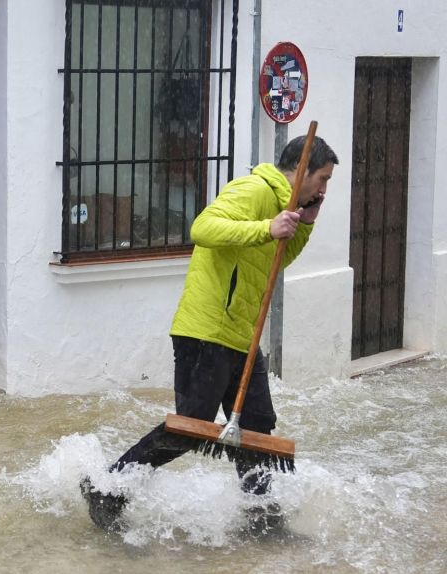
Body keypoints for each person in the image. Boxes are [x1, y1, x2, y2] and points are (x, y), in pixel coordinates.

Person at [82, 135, 339, 531]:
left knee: (257, 427)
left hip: (241, 336)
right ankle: (109, 488)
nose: (324, 189)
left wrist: (303, 223)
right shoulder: (254, 189)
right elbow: (202, 227)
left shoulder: (284, 206)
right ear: (301, 170)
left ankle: (263, 518)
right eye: (322, 179)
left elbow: (279, 258)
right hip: (208, 330)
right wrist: (266, 227)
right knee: (192, 425)